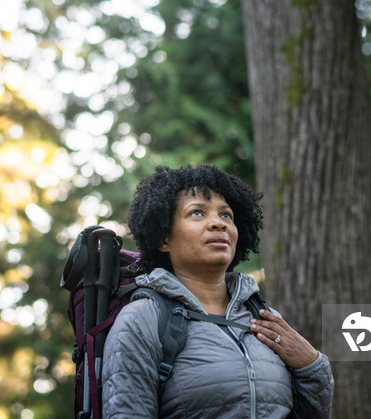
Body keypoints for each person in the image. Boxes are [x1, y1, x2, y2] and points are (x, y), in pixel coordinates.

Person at [102, 164, 333, 418]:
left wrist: (312, 367)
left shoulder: (264, 318)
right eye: (197, 213)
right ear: (163, 239)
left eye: (226, 216)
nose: (218, 224)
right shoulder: (143, 318)